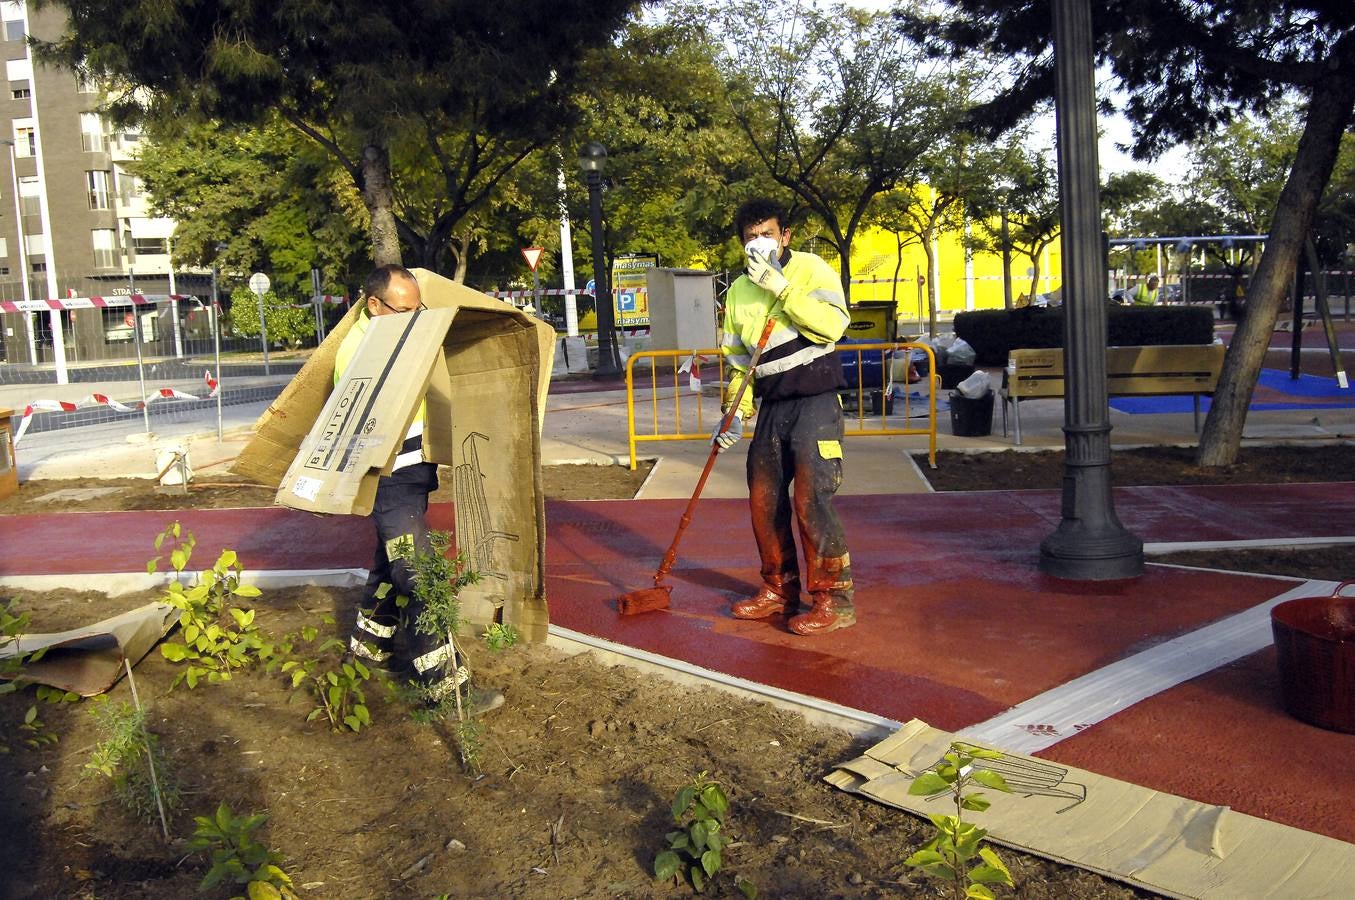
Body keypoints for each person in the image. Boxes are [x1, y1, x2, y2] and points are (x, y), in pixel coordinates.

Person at [338, 264, 502, 714]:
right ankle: (446, 687)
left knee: (388, 565)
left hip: (408, 474)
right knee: (418, 576)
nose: (415, 318)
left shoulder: (391, 338)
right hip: (391, 480)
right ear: (375, 305)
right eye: (405, 310)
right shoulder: (364, 353)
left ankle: (368, 649)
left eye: (419, 309)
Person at [713, 198, 855, 636]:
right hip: (772, 407)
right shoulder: (737, 292)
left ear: (785, 237)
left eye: (767, 235)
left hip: (815, 402)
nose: (759, 244)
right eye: (751, 238)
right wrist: (735, 411)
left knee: (812, 500)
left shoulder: (811, 270)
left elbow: (832, 326)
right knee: (764, 500)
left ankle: (834, 599)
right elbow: (740, 362)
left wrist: (781, 287)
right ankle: (779, 588)